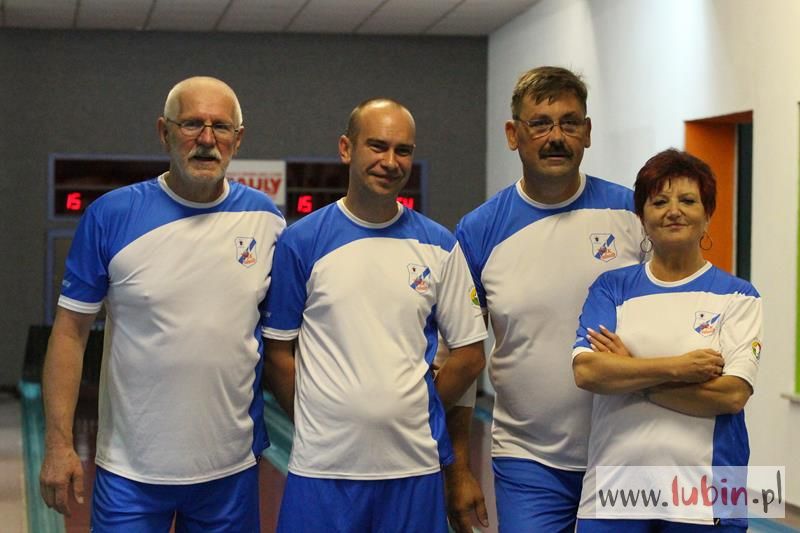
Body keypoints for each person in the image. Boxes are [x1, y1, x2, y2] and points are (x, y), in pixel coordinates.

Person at [39, 76, 285, 532]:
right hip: (129, 472)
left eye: (221, 127)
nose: (207, 139)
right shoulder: (111, 216)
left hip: (230, 472)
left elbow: (284, 338)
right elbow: (70, 333)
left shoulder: (267, 220)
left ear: (238, 138)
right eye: (191, 124)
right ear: (164, 132)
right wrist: (58, 444)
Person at [262, 98, 487, 533]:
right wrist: (314, 420)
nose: (390, 161)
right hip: (322, 469)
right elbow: (277, 353)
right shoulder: (300, 242)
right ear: (346, 148)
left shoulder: (440, 245)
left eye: (403, 150)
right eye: (377, 146)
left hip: (413, 467)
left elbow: (470, 355)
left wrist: (416, 408)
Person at [451, 66, 645, 532]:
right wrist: (457, 469)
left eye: (569, 123)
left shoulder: (633, 214)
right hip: (527, 461)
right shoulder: (479, 231)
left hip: (627, 451)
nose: (555, 137)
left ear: (588, 132)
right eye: (539, 124)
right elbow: (461, 355)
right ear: (513, 134)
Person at [572, 148, 762, 532]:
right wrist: (679, 368)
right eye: (659, 202)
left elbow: (730, 395)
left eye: (688, 201)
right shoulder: (612, 288)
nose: (674, 211)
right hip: (615, 490)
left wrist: (630, 373)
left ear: (708, 214)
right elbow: (588, 372)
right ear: (642, 217)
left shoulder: (739, 296)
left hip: (710, 495)